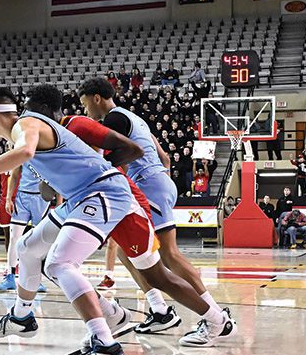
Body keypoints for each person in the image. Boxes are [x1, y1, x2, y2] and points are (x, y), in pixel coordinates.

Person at [0, 85, 138, 355]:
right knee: (28, 247)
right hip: (81, 195)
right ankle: (22, 316)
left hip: (102, 193)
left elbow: (26, 151)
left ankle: (107, 350)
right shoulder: (26, 126)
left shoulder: (26, 123)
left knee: (60, 263)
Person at [79, 77, 227, 335]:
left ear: (96, 98)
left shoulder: (114, 119)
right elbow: (165, 156)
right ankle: (159, 310)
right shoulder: (134, 118)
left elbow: (113, 158)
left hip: (150, 185)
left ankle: (216, 313)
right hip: (156, 181)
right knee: (128, 250)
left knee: (169, 254)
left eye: (84, 104)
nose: (85, 111)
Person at [0, 165, 50, 292]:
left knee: (40, 241)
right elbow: (14, 175)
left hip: (41, 199)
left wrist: (59, 203)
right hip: (22, 197)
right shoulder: (24, 148)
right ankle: (10, 276)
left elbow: (58, 179)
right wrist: (9, 198)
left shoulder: (49, 152)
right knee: (14, 237)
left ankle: (38, 279)